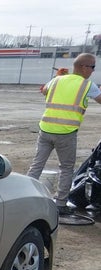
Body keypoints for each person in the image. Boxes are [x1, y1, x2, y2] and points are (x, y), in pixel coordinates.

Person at [27, 53, 101, 213]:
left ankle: (25, 196)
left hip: (45, 129)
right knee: (66, 168)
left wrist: (59, 77)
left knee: (37, 165)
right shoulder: (87, 85)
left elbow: (44, 91)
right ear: (83, 67)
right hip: (66, 132)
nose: (93, 71)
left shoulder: (56, 79)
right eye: (92, 67)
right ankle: (60, 204)